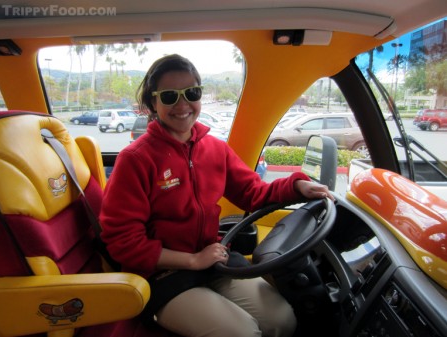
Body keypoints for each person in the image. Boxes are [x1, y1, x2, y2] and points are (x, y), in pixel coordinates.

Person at [99, 54, 334, 337]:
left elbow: (252, 192)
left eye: (192, 93)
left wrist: (296, 187)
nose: (183, 104)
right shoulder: (136, 159)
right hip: (161, 276)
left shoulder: (215, 149)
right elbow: (123, 243)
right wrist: (192, 260)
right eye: (170, 96)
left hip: (213, 262)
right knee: (244, 333)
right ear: (153, 103)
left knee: (283, 321)